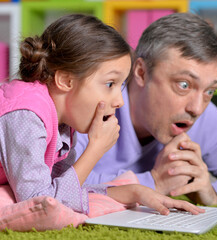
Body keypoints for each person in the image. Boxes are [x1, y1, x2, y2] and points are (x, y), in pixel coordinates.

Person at [0, 14, 204, 216]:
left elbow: (65, 187)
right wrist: (95, 149)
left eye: (120, 85)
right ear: (65, 80)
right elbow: (39, 203)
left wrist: (133, 191)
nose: (119, 101)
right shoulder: (26, 114)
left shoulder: (63, 121)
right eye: (110, 84)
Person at [76, 13, 217, 206]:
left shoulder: (203, 117)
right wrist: (153, 182)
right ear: (141, 72)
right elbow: (54, 184)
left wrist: (214, 192)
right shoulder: (92, 104)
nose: (197, 108)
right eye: (183, 85)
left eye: (210, 91)